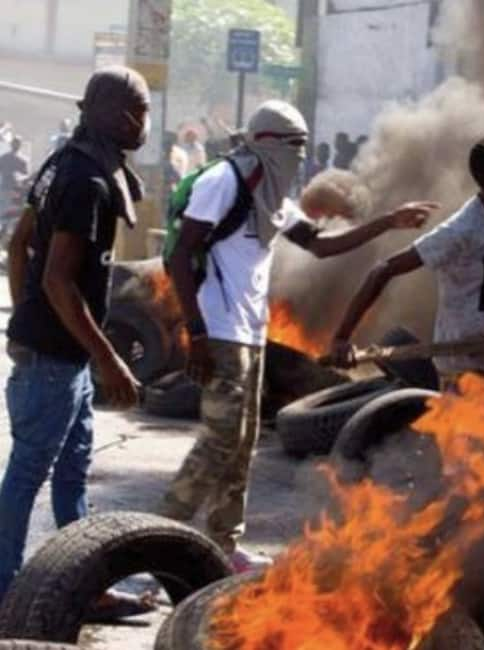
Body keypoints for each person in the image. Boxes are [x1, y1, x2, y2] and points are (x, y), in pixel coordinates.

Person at [157, 100, 438, 572]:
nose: (300, 157)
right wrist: (198, 332)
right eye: (295, 146)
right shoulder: (222, 182)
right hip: (219, 332)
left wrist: (388, 222)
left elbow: (320, 245)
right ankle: (158, 541)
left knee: (242, 444)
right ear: (268, 143)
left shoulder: (269, 195)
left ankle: (225, 546)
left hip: (249, 333)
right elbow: (184, 254)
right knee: (219, 442)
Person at [0, 66, 153, 617]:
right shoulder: (86, 181)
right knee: (27, 475)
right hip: (57, 361)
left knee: (71, 471)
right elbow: (56, 278)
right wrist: (107, 358)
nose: (145, 122)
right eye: (141, 110)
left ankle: (85, 583)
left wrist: (27, 322)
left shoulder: (63, 162)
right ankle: (3, 592)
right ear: (117, 115)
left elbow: (19, 247)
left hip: (62, 358)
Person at [329, 133, 484, 388]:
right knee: (479, 428)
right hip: (459, 361)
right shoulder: (461, 231)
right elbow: (383, 270)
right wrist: (342, 337)